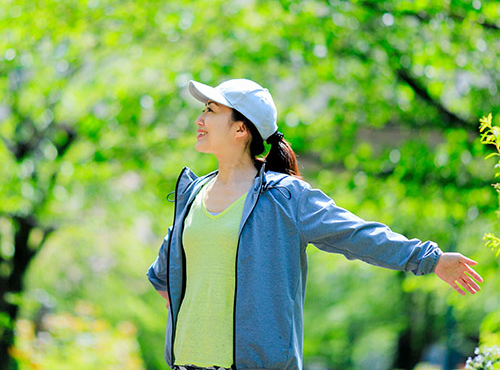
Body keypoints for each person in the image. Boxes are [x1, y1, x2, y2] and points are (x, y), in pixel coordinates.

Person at [147, 78, 483, 370]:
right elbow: (164, 274)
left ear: (240, 128)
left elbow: (355, 234)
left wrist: (430, 259)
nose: (199, 118)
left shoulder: (285, 198)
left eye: (210, 110)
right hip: (186, 363)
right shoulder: (193, 194)